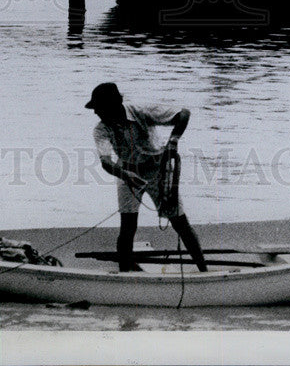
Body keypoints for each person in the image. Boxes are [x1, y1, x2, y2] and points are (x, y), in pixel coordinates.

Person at [86, 82, 207, 273]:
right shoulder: (101, 129)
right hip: (126, 171)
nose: (96, 113)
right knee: (127, 226)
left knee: (179, 222)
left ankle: (203, 270)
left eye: (100, 108)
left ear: (115, 104)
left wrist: (173, 141)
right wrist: (126, 175)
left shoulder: (141, 111)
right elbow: (106, 162)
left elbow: (183, 114)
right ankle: (124, 274)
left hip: (157, 169)